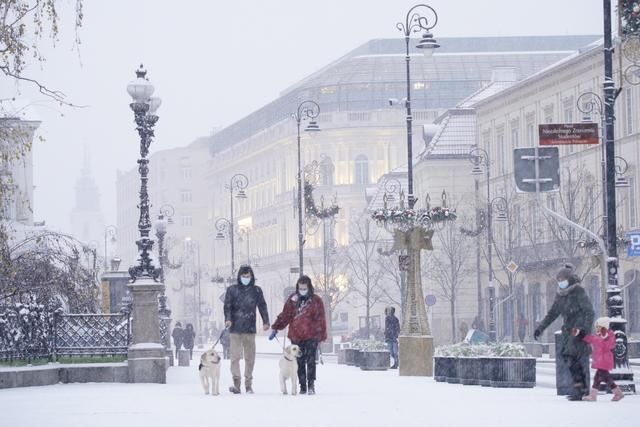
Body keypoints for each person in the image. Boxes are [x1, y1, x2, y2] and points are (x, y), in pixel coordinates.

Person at [534, 263, 594, 401]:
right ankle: (581, 388)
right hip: (568, 332)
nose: (560, 282)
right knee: (570, 359)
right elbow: (552, 313)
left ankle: (581, 390)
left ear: (569, 279)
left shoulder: (578, 291)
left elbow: (589, 311)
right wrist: (540, 328)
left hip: (578, 331)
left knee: (574, 358)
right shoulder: (560, 295)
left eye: (562, 279)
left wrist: (584, 329)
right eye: (558, 280)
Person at [270, 275, 327, 395]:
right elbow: (285, 315)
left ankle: (311, 384)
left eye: (304, 288)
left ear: (309, 287)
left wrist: (321, 335)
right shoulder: (293, 300)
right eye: (300, 288)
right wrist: (276, 327)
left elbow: (321, 319)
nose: (302, 290)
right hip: (296, 335)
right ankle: (302, 386)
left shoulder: (316, 301)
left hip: (311, 336)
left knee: (311, 361)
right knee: (299, 362)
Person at [224, 265, 270, 394]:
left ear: (252, 277)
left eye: (248, 276)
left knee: (250, 357)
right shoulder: (232, 290)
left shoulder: (256, 291)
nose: (246, 278)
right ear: (239, 276)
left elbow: (262, 306)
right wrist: (228, 319)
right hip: (235, 329)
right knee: (235, 357)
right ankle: (236, 383)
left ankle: (248, 384)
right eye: (243, 276)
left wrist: (266, 321)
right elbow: (227, 306)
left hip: (249, 328)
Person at [580, 317, 624, 401]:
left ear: (604, 326)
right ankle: (618, 393)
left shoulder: (610, 335)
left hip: (604, 361)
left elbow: (607, 346)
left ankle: (593, 396)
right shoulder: (598, 335)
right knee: (605, 378)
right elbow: (592, 339)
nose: (597, 329)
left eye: (598, 327)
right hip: (600, 361)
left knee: (599, 378)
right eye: (596, 327)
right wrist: (583, 335)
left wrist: (605, 337)